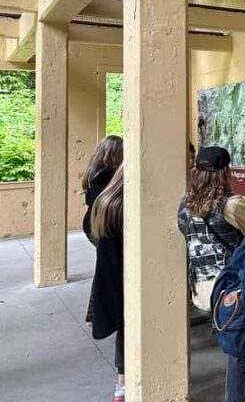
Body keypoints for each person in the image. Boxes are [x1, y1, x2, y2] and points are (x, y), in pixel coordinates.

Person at [177, 146, 245, 402]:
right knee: (242, 349)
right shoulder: (231, 205)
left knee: (238, 343)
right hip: (231, 293)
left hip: (201, 290)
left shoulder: (185, 205)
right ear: (225, 171)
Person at [88, 166, 125, 402]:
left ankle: (122, 383)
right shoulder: (125, 206)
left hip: (112, 274)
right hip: (123, 273)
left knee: (126, 327)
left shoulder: (106, 200)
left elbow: (87, 227)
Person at [81, 135, 123, 323]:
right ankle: (98, 312)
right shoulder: (105, 175)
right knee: (104, 268)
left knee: (103, 266)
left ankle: (96, 312)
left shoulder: (94, 171)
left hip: (93, 223)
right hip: (100, 225)